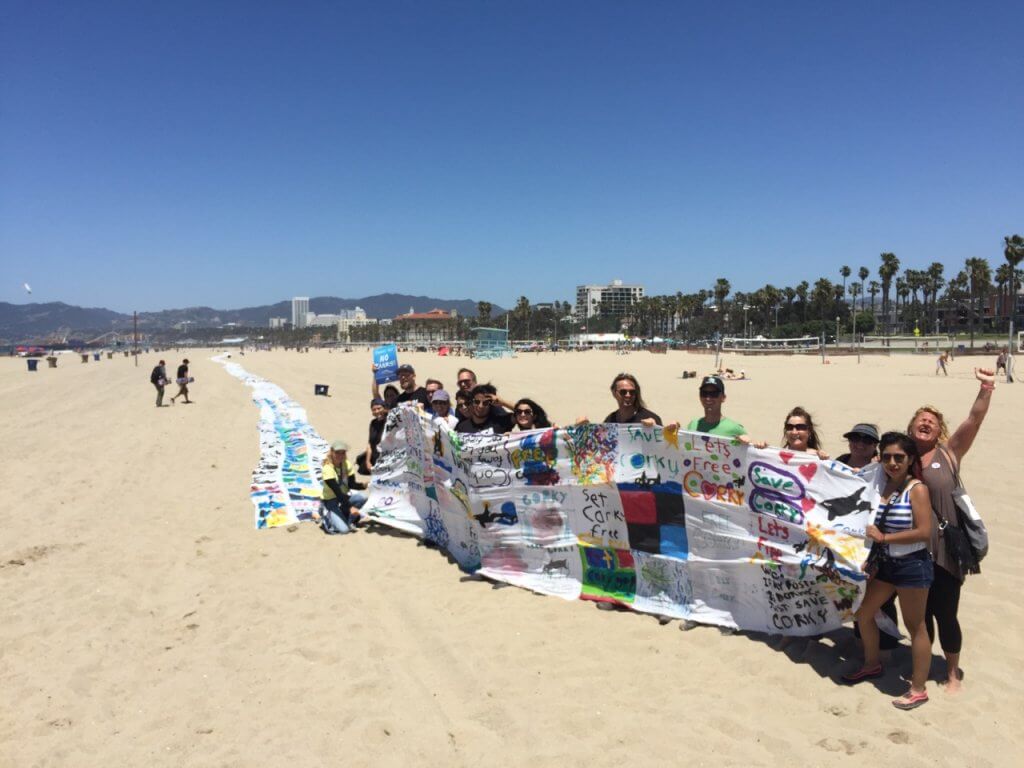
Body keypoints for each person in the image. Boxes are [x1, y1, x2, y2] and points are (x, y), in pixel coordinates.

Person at [909, 367, 995, 693]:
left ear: (940, 429)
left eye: (932, 420)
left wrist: (986, 388)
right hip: (913, 550)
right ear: (911, 426)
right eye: (921, 419)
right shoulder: (899, 457)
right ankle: (923, 663)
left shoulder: (948, 453)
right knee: (921, 615)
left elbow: (974, 421)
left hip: (946, 549)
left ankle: (953, 673)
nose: (926, 422)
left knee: (946, 613)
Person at [842, 432, 934, 710]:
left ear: (910, 460)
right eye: (887, 457)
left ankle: (918, 688)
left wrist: (885, 539)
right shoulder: (883, 485)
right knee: (862, 613)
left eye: (899, 457)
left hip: (911, 565)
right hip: (886, 565)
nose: (892, 462)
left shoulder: (916, 488)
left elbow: (925, 532)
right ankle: (872, 664)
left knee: (915, 625)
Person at [320, 440, 368, 533]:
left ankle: (345, 517)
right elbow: (337, 492)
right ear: (331, 452)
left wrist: (365, 485)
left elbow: (351, 484)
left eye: (343, 453)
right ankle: (326, 516)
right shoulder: (327, 468)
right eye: (337, 453)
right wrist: (351, 507)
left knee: (363, 497)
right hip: (331, 501)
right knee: (344, 530)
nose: (340, 456)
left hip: (343, 498)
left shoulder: (346, 464)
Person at [356, 398, 389, 475]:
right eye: (374, 409)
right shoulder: (373, 423)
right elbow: (369, 444)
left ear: (384, 408)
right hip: (374, 458)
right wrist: (368, 461)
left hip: (386, 459)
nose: (377, 411)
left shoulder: (390, 421)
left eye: (379, 408)